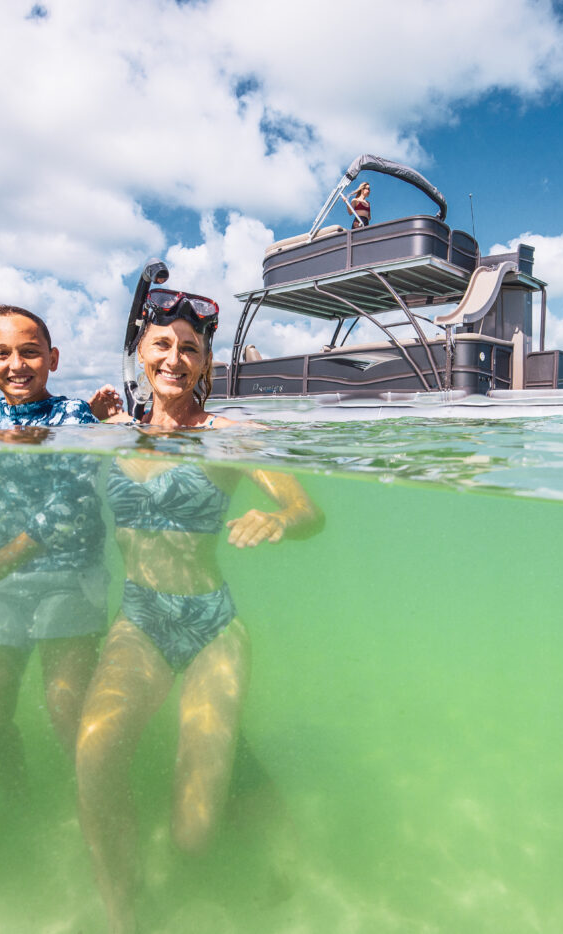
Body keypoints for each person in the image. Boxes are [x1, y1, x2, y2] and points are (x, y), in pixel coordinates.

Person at [77, 288, 324, 934]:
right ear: (140, 353)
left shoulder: (231, 437)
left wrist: (280, 518)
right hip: (140, 620)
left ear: (207, 364)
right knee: (94, 758)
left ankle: (241, 776)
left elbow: (307, 512)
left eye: (191, 348)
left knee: (192, 834)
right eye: (163, 345)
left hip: (210, 622)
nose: (176, 358)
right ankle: (121, 911)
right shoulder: (115, 434)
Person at [0, 306, 110, 802]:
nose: (16, 364)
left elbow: (71, 504)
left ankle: (93, 805)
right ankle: (20, 798)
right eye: (1, 354)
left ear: (52, 358)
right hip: (2, 584)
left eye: (30, 352)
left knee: (66, 711)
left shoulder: (73, 416)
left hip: (69, 577)